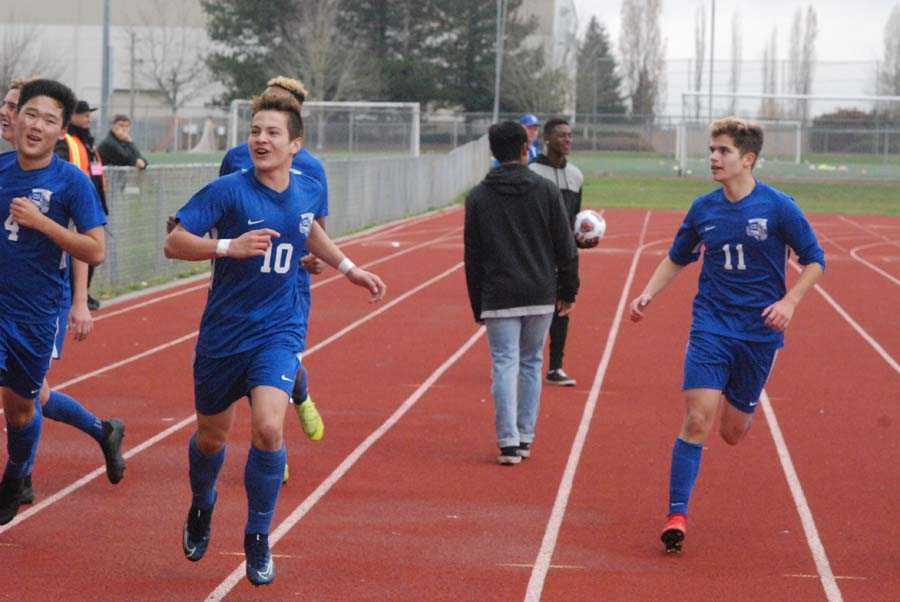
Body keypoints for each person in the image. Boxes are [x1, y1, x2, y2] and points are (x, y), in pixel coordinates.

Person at [165, 94, 385, 585]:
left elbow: (309, 232)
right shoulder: (227, 190)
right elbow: (174, 242)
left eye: (272, 133)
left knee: (267, 428)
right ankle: (202, 504)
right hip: (224, 333)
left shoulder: (307, 188)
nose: (261, 140)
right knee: (211, 438)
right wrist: (229, 246)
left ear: (294, 146)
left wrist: (349, 268)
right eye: (255, 131)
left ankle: (258, 535)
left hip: (278, 328)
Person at [628, 116, 825, 553]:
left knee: (733, 432)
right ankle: (676, 514)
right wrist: (647, 294)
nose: (713, 158)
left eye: (723, 152)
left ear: (748, 159)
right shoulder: (703, 209)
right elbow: (678, 258)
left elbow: (815, 260)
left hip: (758, 334)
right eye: (711, 150)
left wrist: (790, 302)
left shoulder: (778, 207)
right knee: (698, 418)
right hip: (711, 326)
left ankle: (744, 405)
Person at [0, 80, 126, 508]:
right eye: (29, 114)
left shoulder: (71, 182)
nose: (36, 125)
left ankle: (18, 474)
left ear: (61, 132)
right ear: (15, 118)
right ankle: (22, 477)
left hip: (36, 314)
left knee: (22, 407)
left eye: (48, 119)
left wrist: (44, 225)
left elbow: (95, 249)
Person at [218, 76, 326, 452]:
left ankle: (294, 405)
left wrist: (317, 259)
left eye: (283, 105)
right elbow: (221, 208)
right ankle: (272, 437)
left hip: (288, 279)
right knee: (248, 358)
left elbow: (315, 226)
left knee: (275, 356)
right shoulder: (236, 156)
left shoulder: (312, 167)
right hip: (241, 275)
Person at [464, 120, 579, 465]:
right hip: (540, 291)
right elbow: (565, 245)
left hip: (498, 294)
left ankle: (508, 441)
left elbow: (472, 256)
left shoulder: (479, 197)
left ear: (494, 152)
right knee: (531, 362)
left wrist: (477, 305)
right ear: (524, 149)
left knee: (504, 363)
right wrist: (568, 290)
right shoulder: (545, 190)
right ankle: (525, 435)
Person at [530, 118, 596, 387]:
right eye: (561, 136)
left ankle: (555, 367)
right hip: (536, 252)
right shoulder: (532, 172)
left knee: (563, 306)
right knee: (533, 309)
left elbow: (574, 218)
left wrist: (581, 238)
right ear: (547, 139)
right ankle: (528, 362)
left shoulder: (576, 175)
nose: (568, 140)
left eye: (570, 135)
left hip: (565, 254)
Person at [55, 100, 108, 310]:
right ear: (72, 117)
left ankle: (83, 293)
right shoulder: (66, 141)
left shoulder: (88, 143)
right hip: (73, 209)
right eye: (84, 115)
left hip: (91, 208)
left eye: (89, 114)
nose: (88, 118)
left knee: (91, 255)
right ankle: (75, 296)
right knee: (75, 254)